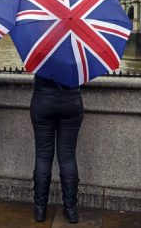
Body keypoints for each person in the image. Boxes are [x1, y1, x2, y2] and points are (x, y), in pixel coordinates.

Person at [30, 74, 83, 224]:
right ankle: (71, 209)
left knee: (42, 155)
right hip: (71, 102)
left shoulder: (40, 51)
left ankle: (40, 209)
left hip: (43, 101)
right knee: (68, 157)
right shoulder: (76, 52)